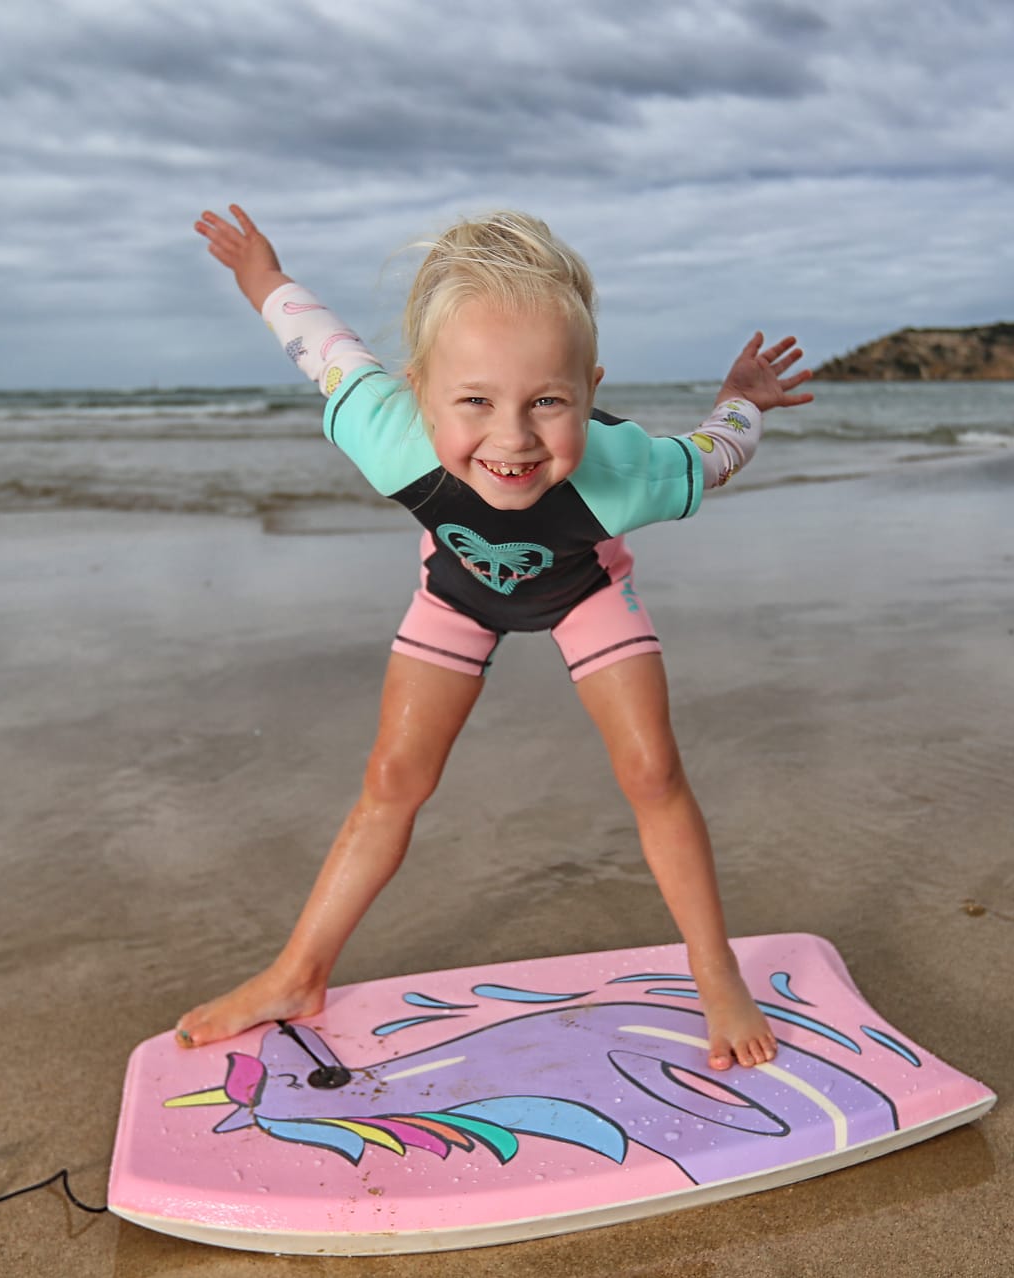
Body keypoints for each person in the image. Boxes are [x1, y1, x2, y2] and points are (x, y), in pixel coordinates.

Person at [176, 204, 813, 1070]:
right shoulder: (387, 432)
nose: (512, 439)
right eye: (474, 401)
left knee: (653, 771)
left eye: (548, 402)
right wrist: (259, 269)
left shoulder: (627, 476)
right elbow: (317, 340)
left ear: (590, 389)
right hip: (456, 595)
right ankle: (297, 971)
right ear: (419, 391)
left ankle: (713, 967)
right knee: (392, 778)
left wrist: (742, 400)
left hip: (584, 587)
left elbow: (715, 453)